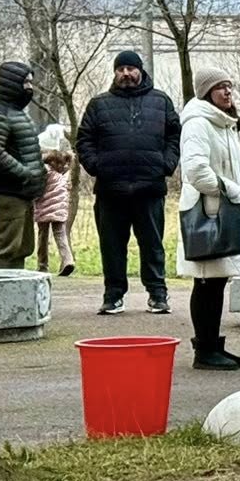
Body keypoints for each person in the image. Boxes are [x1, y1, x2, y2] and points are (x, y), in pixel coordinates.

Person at [75, 50, 181, 313]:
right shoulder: (99, 104)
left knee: (152, 245)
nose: (126, 74)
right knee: (111, 246)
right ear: (115, 73)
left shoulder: (161, 101)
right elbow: (84, 140)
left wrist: (165, 164)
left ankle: (158, 294)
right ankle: (112, 296)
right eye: (120, 69)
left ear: (140, 71)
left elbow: (175, 136)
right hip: (111, 189)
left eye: (130, 69)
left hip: (150, 187)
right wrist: (97, 166)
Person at [176, 65, 240, 370]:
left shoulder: (224, 124)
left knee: (216, 282)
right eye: (219, 87)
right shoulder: (198, 123)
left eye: (229, 86)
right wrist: (227, 189)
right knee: (207, 282)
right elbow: (195, 169)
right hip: (209, 213)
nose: (226, 91)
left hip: (224, 210)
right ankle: (205, 349)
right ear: (206, 92)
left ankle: (212, 344)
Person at [0, 61, 45, 271]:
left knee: (20, 250)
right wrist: (26, 174)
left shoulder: (15, 113)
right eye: (25, 82)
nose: (29, 88)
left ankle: (12, 302)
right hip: (7, 193)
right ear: (11, 83)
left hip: (21, 194)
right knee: (4, 252)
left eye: (30, 82)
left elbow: (21, 149)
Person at [33, 124, 77, 276]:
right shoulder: (64, 167)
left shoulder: (43, 168)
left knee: (42, 235)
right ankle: (68, 260)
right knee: (60, 234)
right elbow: (67, 186)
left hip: (45, 205)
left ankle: (42, 265)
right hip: (61, 205)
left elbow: (38, 187)